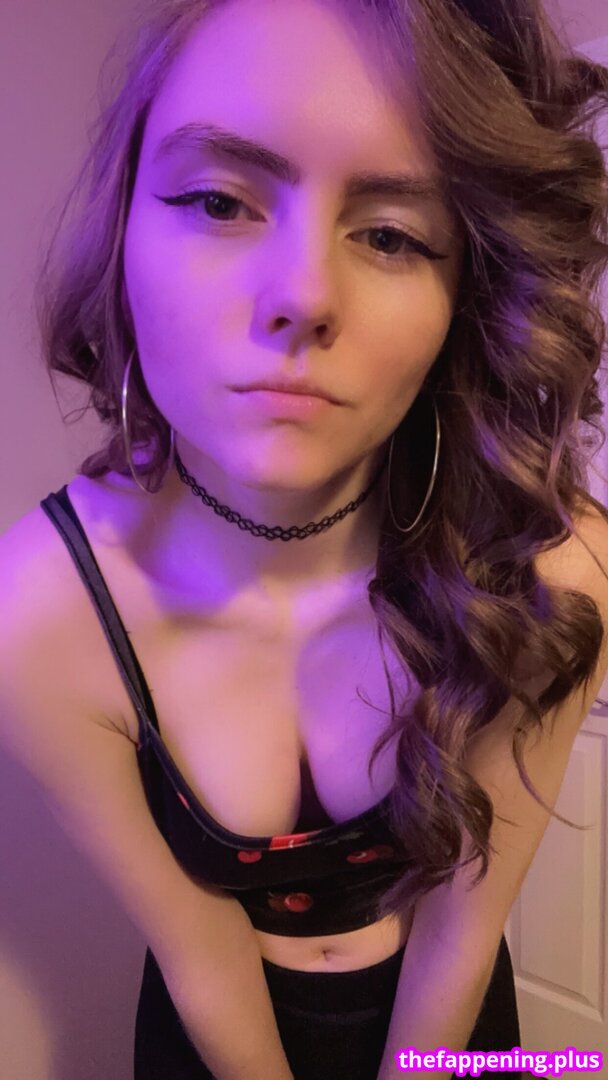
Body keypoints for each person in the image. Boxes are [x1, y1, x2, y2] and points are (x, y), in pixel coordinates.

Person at [2, 0, 608, 1077]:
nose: (301, 296)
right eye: (218, 201)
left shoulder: (551, 573)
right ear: (124, 229)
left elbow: (464, 927)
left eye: (390, 234)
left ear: (466, 291)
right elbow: (199, 951)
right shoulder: (42, 615)